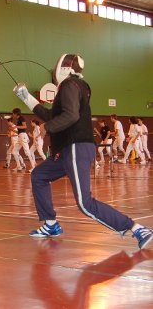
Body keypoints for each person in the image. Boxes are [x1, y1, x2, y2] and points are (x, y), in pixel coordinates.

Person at [13, 53, 153, 249]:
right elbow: (51, 115)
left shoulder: (70, 85)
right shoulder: (72, 88)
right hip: (65, 151)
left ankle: (137, 228)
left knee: (85, 203)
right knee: (39, 175)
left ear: (63, 68)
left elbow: (70, 116)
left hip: (76, 147)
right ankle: (51, 224)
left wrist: (47, 128)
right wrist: (26, 98)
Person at [11, 108, 36, 172]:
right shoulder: (18, 119)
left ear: (16, 113)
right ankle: (19, 166)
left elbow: (25, 126)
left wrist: (16, 126)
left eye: (13, 113)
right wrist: (13, 130)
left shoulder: (21, 118)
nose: (12, 115)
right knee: (14, 151)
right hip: (20, 136)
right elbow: (19, 131)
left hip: (23, 136)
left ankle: (33, 167)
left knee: (27, 152)